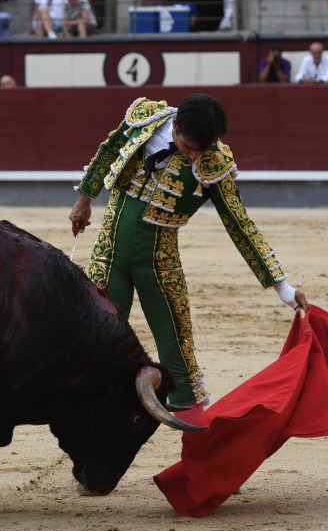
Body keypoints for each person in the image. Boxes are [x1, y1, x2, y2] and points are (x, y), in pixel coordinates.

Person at [68, 94, 309, 419]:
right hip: (109, 251)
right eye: (188, 144)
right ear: (176, 124)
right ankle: (92, 417)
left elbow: (239, 223)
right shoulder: (145, 119)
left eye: (201, 149)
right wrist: (84, 199)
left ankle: (192, 430)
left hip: (159, 260)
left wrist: (283, 287)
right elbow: (109, 150)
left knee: (176, 343)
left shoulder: (214, 163)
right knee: (99, 335)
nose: (193, 154)